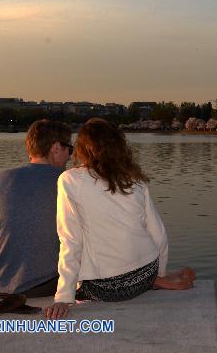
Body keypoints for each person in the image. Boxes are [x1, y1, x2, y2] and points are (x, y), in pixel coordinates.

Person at [44, 118, 194, 319]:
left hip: (103, 288)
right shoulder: (134, 179)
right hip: (145, 276)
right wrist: (160, 275)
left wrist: (63, 296)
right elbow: (159, 233)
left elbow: (70, 240)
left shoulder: (70, 180)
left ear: (82, 148)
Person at [0, 119, 73, 297]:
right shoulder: (67, 182)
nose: (70, 156)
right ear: (56, 148)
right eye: (69, 149)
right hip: (42, 286)